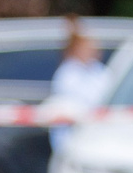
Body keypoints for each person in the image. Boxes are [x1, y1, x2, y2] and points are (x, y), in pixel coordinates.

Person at [47, 19, 110, 153]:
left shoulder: (99, 70)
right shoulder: (68, 73)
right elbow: (72, 104)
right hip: (71, 138)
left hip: (97, 137)